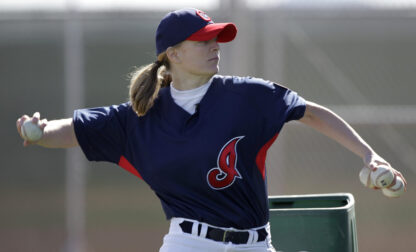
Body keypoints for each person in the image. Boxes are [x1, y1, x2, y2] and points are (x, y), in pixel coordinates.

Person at [16, 8, 406, 252]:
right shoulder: (138, 118)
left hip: (255, 243)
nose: (215, 44)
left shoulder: (249, 96)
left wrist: (369, 155)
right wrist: (40, 131)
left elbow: (312, 114)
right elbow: (74, 131)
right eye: (202, 39)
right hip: (188, 244)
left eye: (216, 37)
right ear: (172, 53)